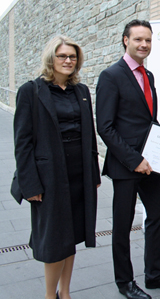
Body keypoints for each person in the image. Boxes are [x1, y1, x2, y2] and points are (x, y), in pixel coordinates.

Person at [96, 20, 160, 299]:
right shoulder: (111, 76)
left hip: (152, 164)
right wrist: (134, 159)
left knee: (158, 215)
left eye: (148, 40)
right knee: (122, 226)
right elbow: (106, 127)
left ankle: (155, 275)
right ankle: (125, 283)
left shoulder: (149, 76)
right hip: (126, 165)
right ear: (126, 40)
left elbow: (149, 121)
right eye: (138, 40)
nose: (144, 45)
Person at [13, 35, 100, 299]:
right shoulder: (30, 91)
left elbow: (90, 135)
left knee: (72, 235)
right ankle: (50, 295)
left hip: (78, 174)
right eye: (62, 56)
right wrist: (30, 184)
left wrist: (93, 173)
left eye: (72, 56)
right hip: (49, 177)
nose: (68, 61)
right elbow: (23, 143)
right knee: (53, 240)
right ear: (51, 58)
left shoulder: (81, 91)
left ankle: (66, 293)